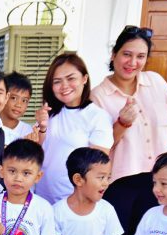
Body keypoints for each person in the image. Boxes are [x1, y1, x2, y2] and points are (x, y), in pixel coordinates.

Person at [91, 26, 167, 235]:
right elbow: (99, 147)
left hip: (157, 181)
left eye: (140, 56)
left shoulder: (155, 82)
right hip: (120, 182)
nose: (132, 62)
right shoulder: (99, 96)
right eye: (126, 54)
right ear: (113, 55)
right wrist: (121, 123)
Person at [37, 53, 113, 204]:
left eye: (71, 78)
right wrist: (42, 128)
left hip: (72, 203)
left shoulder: (97, 117)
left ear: (84, 79)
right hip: (41, 198)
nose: (64, 86)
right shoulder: (50, 114)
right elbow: (36, 152)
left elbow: (98, 167)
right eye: (57, 81)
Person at [0, 71, 37, 143]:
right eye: (13, 98)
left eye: (24, 100)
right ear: (3, 96)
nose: (19, 105)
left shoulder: (28, 131)